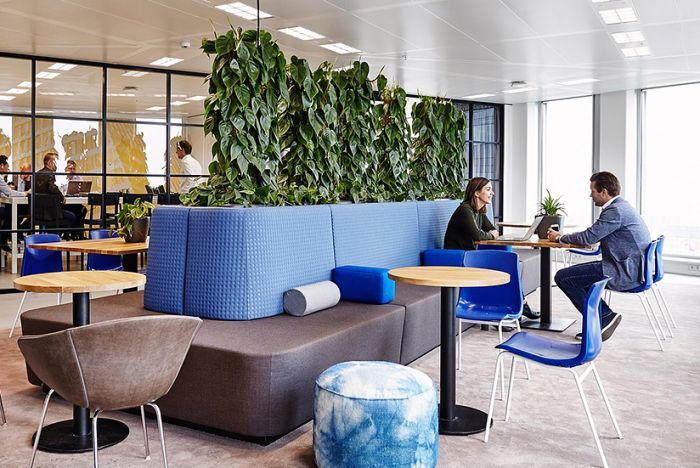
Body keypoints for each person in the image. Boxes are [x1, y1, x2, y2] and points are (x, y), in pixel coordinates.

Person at [549, 171, 651, 342]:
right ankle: (603, 317)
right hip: (630, 267)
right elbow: (594, 236)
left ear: (604, 192)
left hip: (623, 271)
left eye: (593, 191)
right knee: (578, 278)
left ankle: (603, 317)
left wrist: (560, 237)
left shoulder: (615, 211)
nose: (590, 195)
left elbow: (588, 237)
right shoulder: (622, 206)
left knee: (563, 277)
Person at [444, 177, 539, 319]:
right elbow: (480, 235)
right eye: (488, 189)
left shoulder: (479, 211)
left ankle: (516, 306)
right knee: (501, 267)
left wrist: (489, 234)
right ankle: (510, 308)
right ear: (477, 193)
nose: (492, 193)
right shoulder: (465, 210)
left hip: (471, 256)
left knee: (507, 265)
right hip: (458, 258)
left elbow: (492, 230)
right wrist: (489, 234)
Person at [36, 152, 76, 237]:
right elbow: (52, 188)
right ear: (50, 163)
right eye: (57, 161)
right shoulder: (50, 174)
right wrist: (62, 197)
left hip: (38, 212)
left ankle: (53, 234)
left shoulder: (37, 173)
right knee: (72, 216)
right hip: (50, 213)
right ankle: (57, 235)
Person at [0, 159, 30, 252]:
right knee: (11, 213)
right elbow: (9, 192)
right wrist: (25, 193)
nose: (8, 168)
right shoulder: (10, 177)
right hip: (10, 204)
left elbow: (4, 192)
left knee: (14, 212)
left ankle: (9, 236)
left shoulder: (31, 180)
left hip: (18, 203)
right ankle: (8, 237)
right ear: (2, 166)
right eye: (7, 166)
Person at [60, 159, 86, 239]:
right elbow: (60, 192)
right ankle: (74, 233)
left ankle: (76, 233)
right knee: (75, 211)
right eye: (70, 168)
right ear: (65, 169)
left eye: (73, 168)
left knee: (82, 209)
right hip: (64, 204)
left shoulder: (78, 178)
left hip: (75, 202)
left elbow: (83, 189)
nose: (72, 170)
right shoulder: (60, 178)